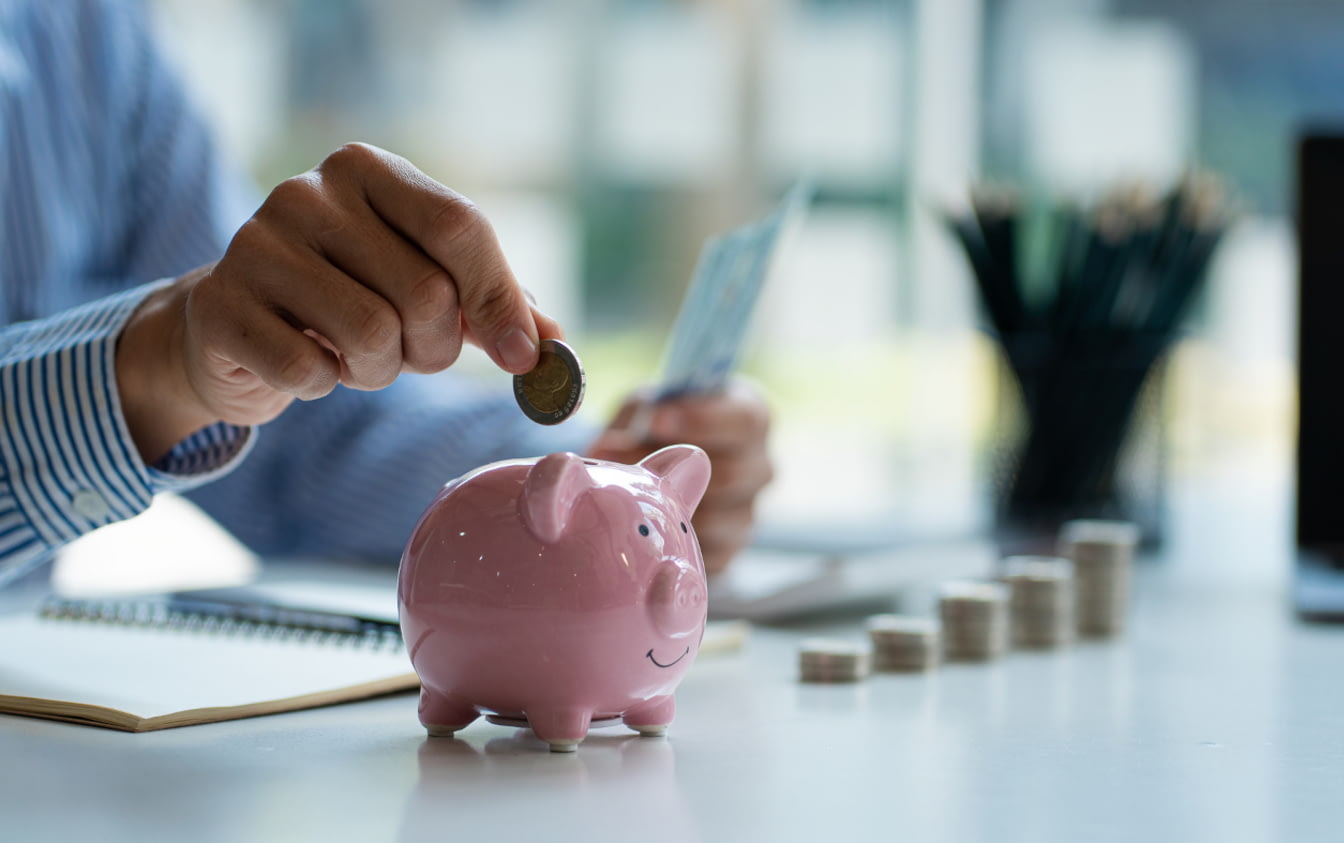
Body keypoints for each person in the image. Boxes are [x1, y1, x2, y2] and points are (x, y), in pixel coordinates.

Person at [0, 0, 773, 585]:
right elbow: (208, 361)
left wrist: (600, 480)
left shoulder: (86, 33)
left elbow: (300, 442)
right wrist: (156, 362)